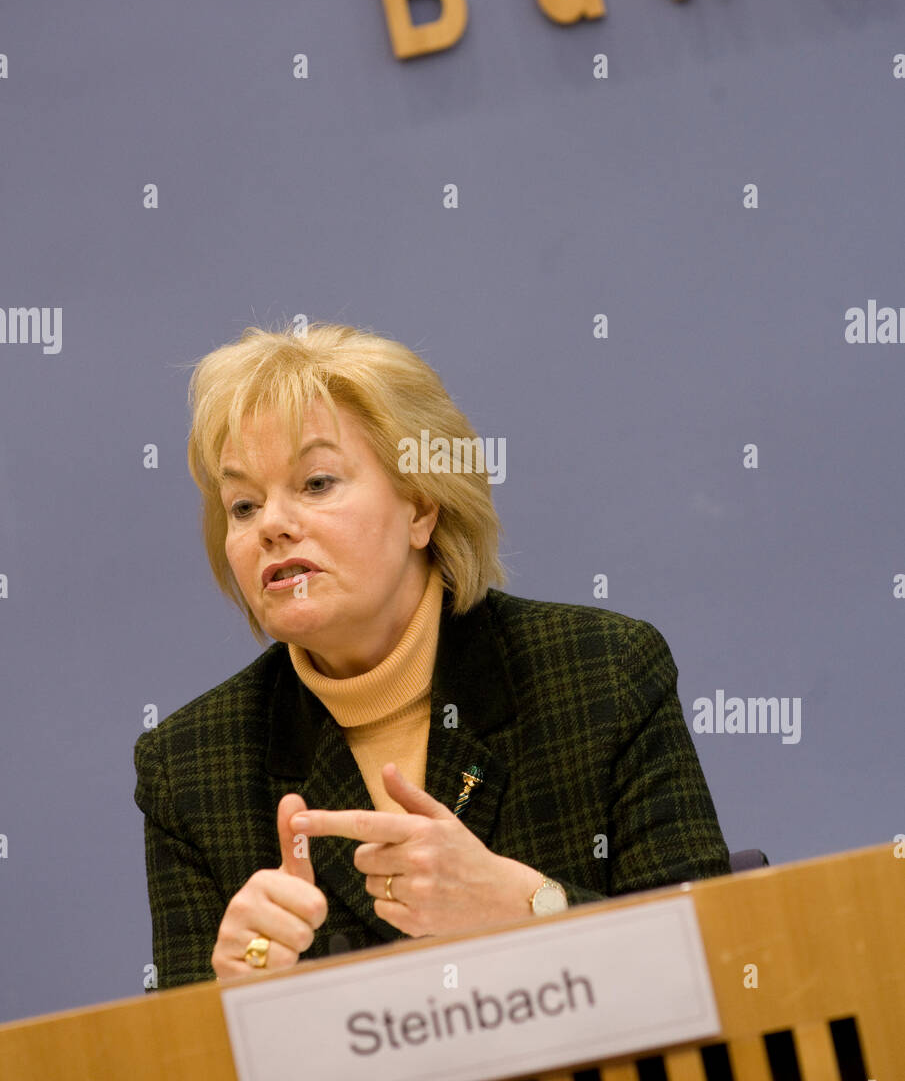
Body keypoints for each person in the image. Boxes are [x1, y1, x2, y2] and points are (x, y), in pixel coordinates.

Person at [134, 320, 730, 991]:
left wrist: (524, 907)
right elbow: (185, 1068)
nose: (270, 524)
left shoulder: (601, 672)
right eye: (242, 504)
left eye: (317, 483)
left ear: (421, 506)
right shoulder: (189, 767)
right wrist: (228, 998)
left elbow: (717, 969)